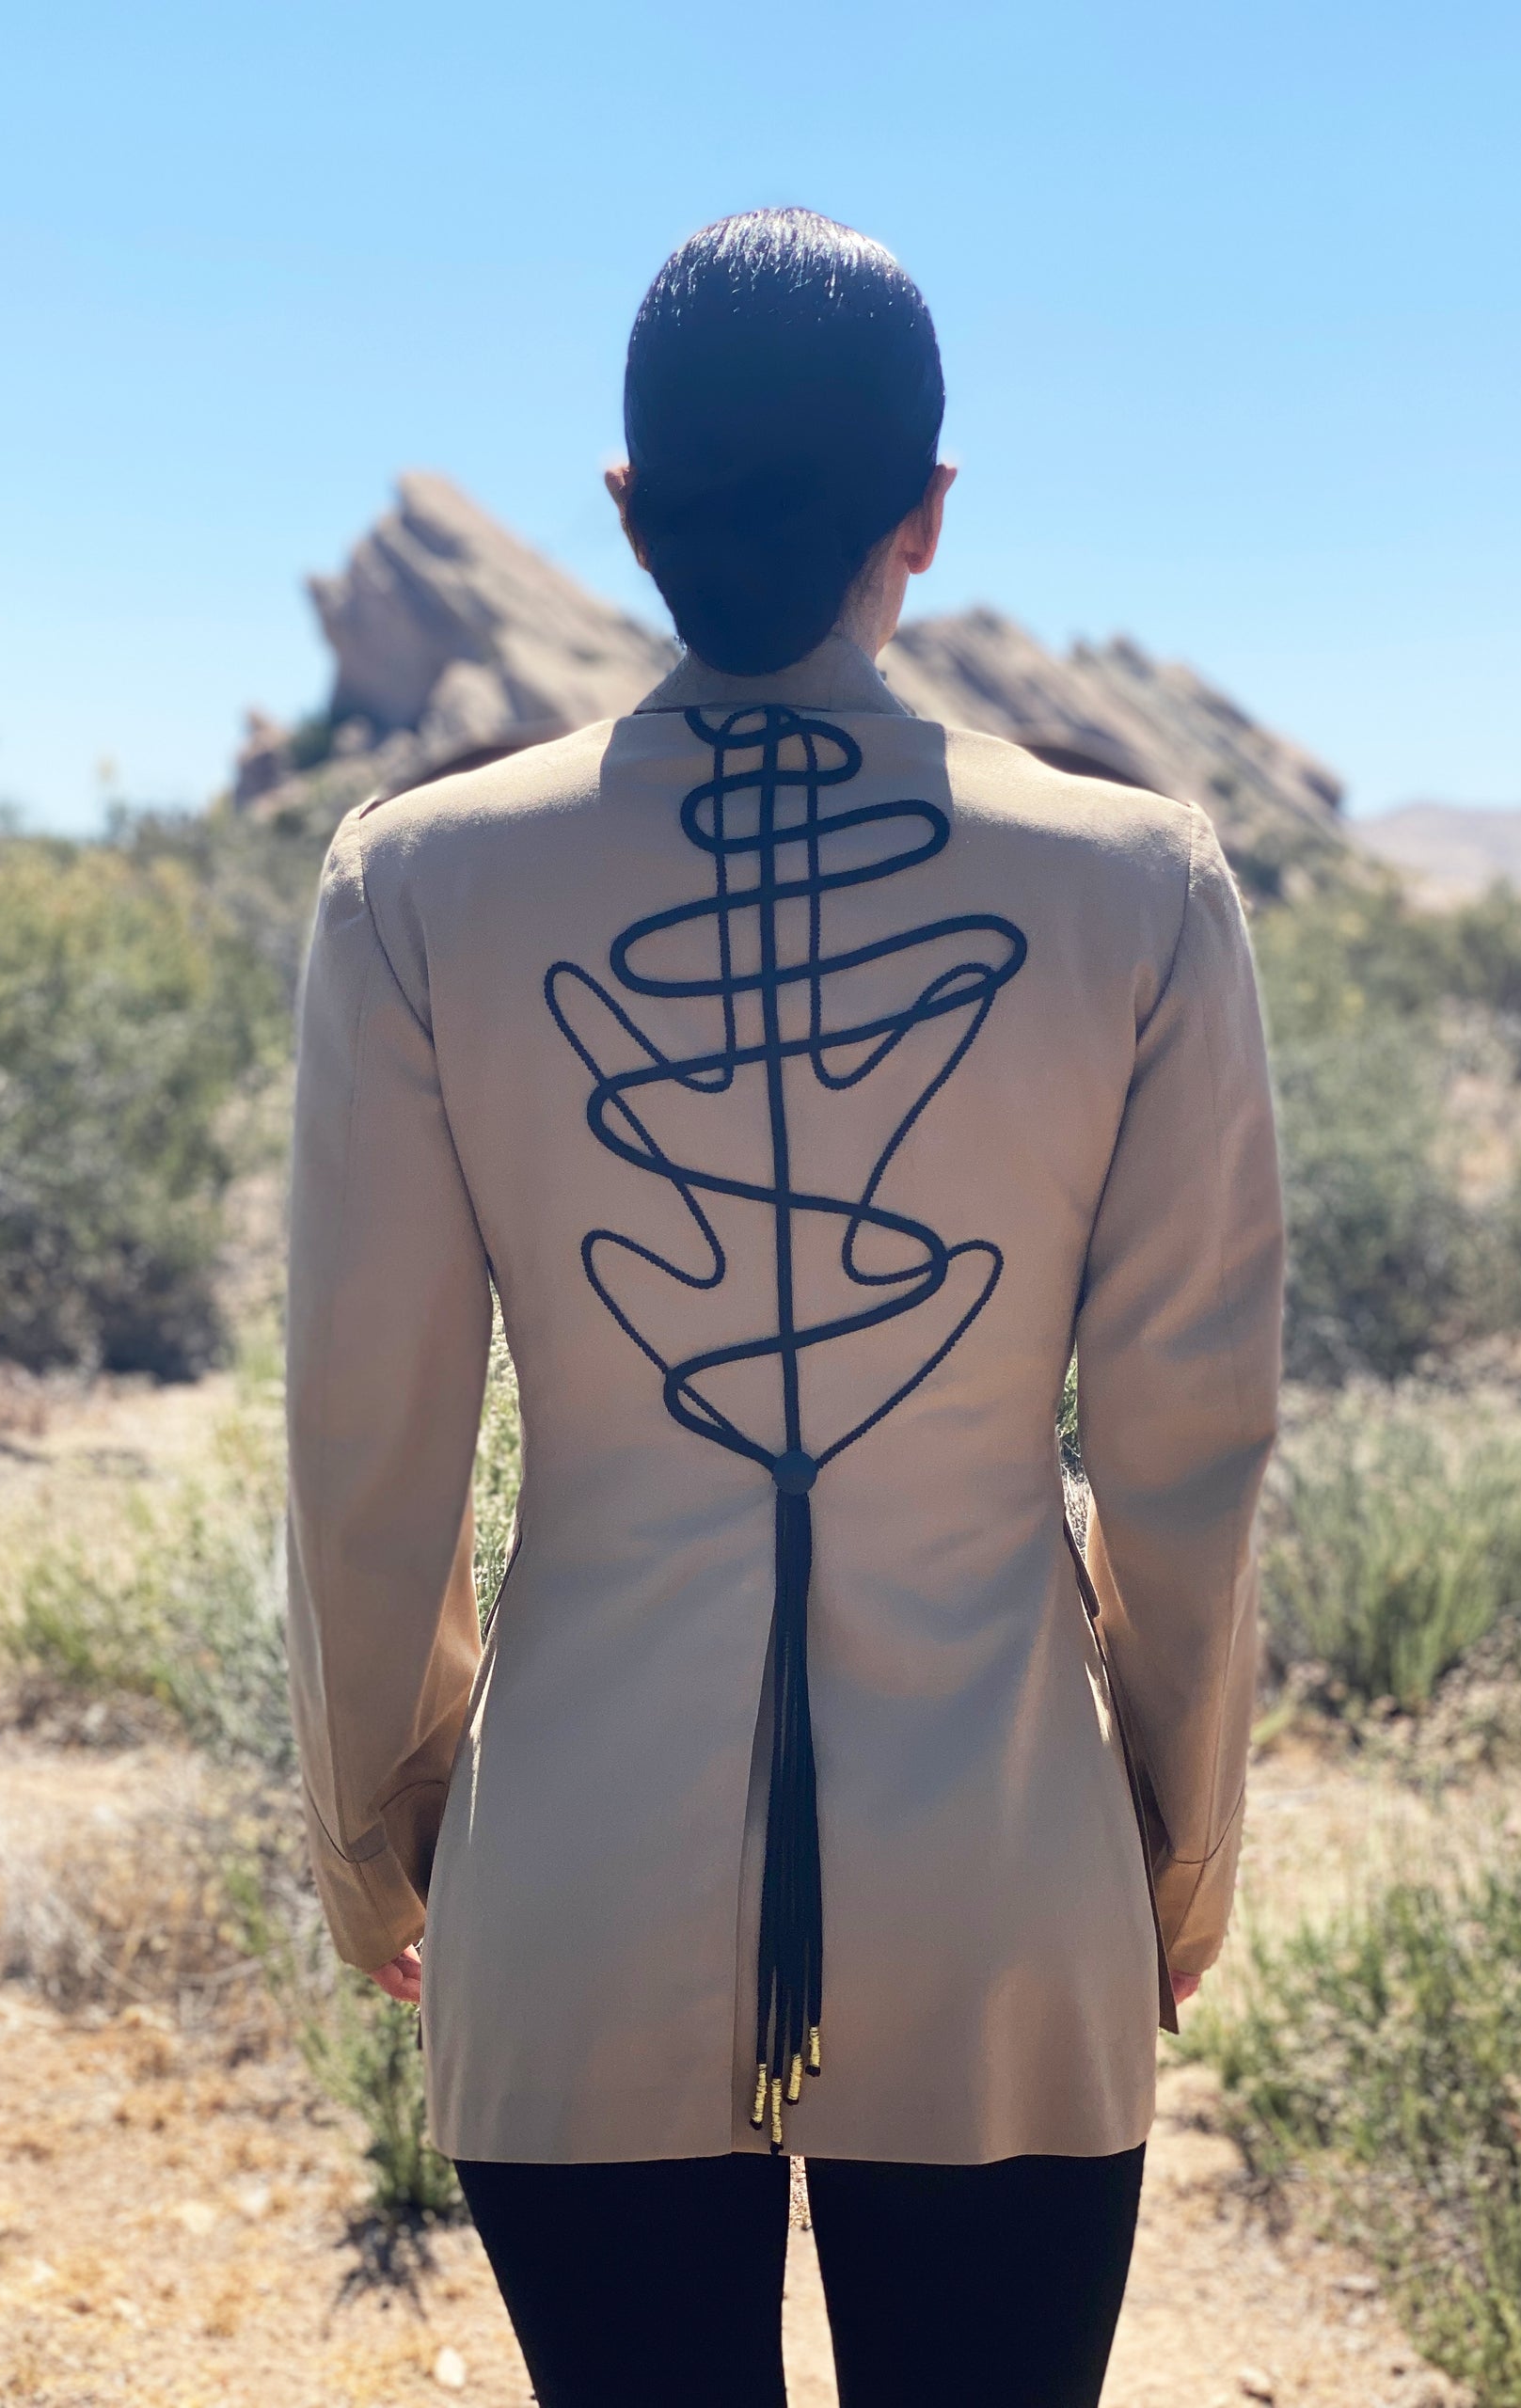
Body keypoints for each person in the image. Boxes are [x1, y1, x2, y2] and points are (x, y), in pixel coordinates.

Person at [284, 207, 1284, 2408]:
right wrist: (1176, 1854)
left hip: (574, 1874)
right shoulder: (1142, 887)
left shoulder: (415, 887)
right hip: (1009, 1880)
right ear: (927, 511)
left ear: (630, 509)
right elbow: (1189, 1458)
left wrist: (385, 1826)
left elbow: (372, 1444)